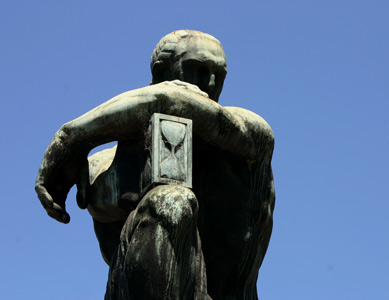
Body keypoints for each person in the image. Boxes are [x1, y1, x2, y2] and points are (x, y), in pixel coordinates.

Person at [36, 30, 275, 300]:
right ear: (162, 72)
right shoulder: (104, 163)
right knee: (169, 200)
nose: (208, 83)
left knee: (171, 200)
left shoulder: (250, 132)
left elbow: (173, 102)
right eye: (197, 69)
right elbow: (105, 219)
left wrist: (71, 139)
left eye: (219, 75)